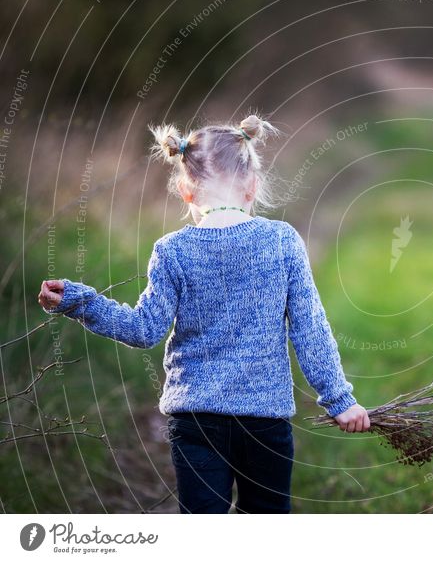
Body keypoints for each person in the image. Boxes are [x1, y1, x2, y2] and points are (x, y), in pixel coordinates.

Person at [37, 114, 370, 514]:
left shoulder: (172, 249)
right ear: (252, 186)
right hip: (264, 422)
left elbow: (144, 329)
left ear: (185, 190)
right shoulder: (282, 241)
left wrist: (81, 301)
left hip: (196, 419)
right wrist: (339, 399)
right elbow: (310, 329)